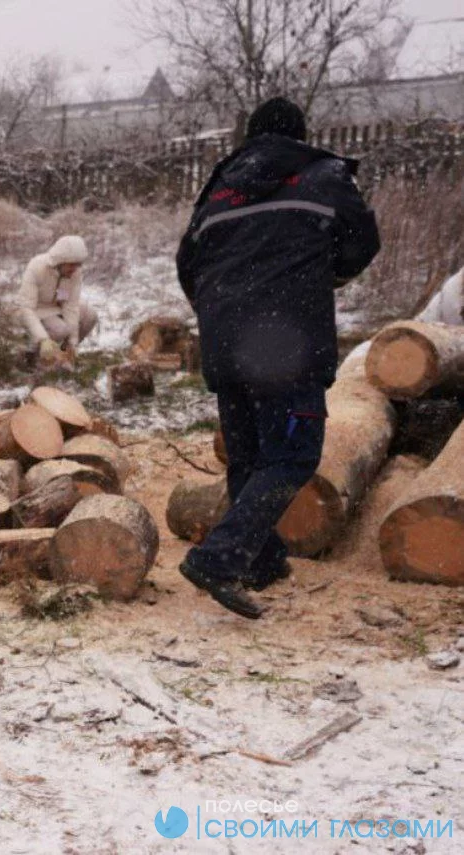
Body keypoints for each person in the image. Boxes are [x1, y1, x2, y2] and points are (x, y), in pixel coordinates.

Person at [175, 97, 380, 619]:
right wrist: (319, 274)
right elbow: (361, 243)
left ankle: (259, 561)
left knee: (249, 456)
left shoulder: (219, 187)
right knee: (292, 456)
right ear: (299, 135)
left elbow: (187, 264)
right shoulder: (323, 175)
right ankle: (218, 559)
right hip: (288, 341)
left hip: (224, 343)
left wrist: (221, 312)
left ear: (250, 136)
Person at [16, 235, 98, 363]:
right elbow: (25, 308)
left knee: (90, 314)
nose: (75, 269)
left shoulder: (73, 273)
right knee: (60, 329)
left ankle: (64, 355)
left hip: (55, 307)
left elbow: (70, 306)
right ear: (60, 261)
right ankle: (33, 356)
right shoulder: (36, 267)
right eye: (71, 265)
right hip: (36, 310)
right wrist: (43, 339)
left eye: (78, 264)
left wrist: (72, 342)